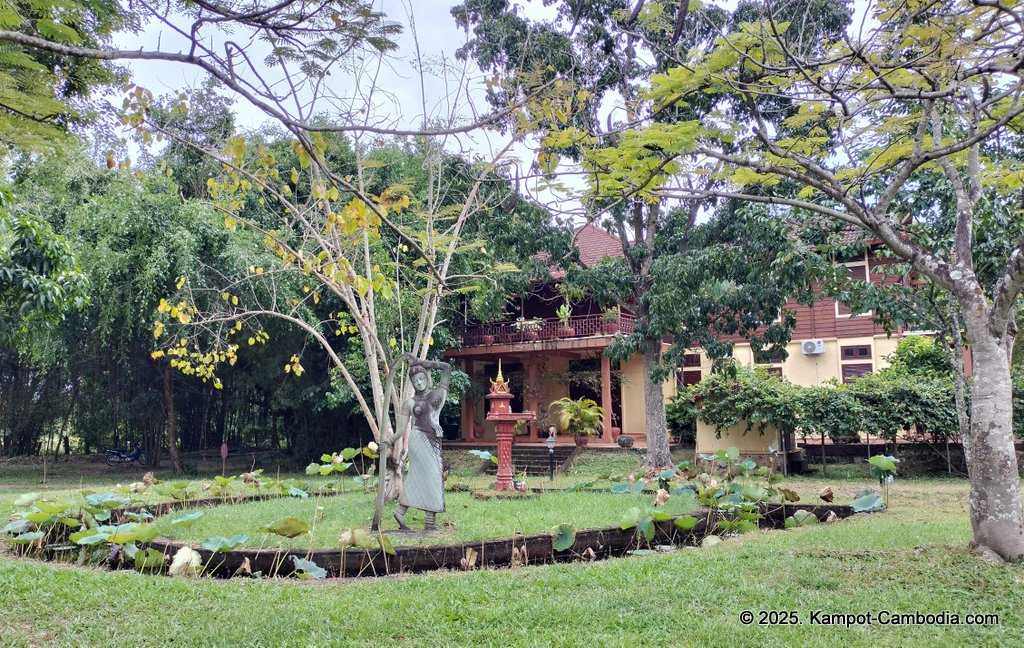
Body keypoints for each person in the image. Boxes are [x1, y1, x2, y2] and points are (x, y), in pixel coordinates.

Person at [393, 359, 451, 531]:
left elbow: (447, 368)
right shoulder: (410, 403)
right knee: (429, 477)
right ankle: (429, 523)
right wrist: (389, 440)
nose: (419, 383)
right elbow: (402, 428)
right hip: (418, 440)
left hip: (433, 441)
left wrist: (423, 363)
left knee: (428, 478)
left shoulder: (437, 395)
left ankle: (401, 512)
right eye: (415, 381)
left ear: (427, 378)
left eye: (421, 379)